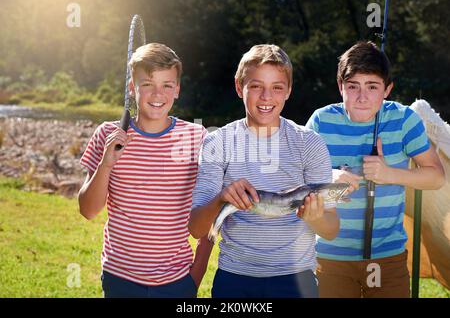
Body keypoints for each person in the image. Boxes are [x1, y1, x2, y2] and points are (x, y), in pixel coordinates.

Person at [188, 44, 339, 298]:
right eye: (256, 86)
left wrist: (313, 216)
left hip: (296, 280)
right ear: (239, 87)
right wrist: (222, 198)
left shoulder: (309, 143)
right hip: (235, 279)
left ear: (288, 91)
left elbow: (331, 229)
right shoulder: (217, 143)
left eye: (277, 87)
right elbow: (196, 229)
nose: (266, 97)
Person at [305, 41, 445, 298]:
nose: (362, 97)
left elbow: (436, 177)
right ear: (340, 87)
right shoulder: (320, 121)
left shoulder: (404, 120)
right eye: (353, 86)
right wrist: (331, 176)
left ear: (387, 89)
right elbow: (298, 180)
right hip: (329, 257)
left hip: (387, 257)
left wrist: (389, 174)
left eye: (372, 87)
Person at [78, 43, 212, 298]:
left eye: (167, 85)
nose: (157, 94)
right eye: (147, 84)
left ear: (177, 90)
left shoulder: (196, 137)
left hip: (178, 280)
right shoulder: (108, 134)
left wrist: (197, 273)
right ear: (132, 87)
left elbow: (209, 212)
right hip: (120, 279)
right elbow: (88, 210)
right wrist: (107, 163)